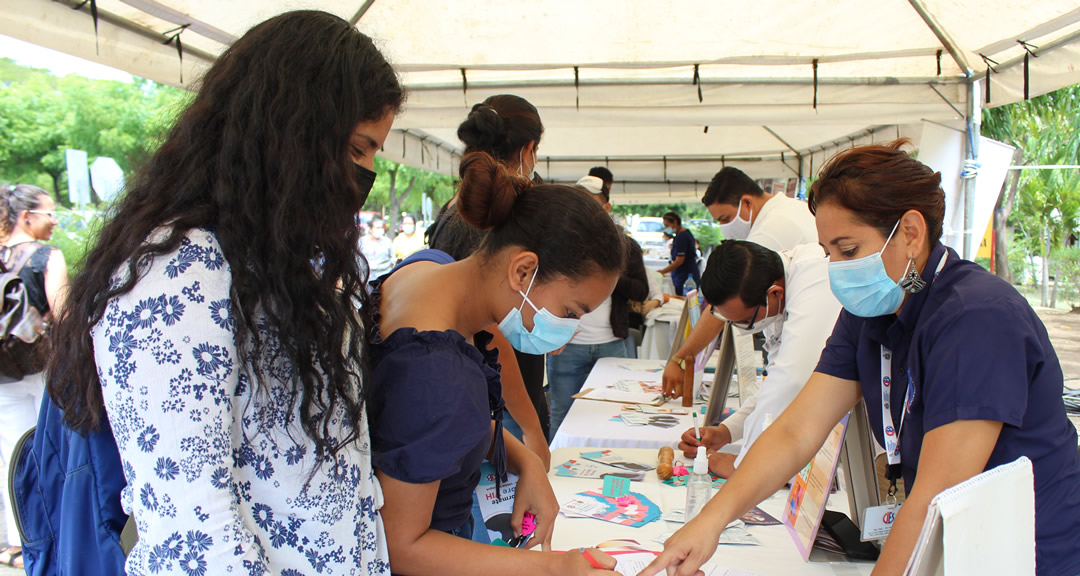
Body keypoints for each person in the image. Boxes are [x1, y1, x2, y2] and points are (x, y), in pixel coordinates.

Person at [43, 11, 404, 574]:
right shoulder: (178, 271)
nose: (366, 174)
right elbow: (193, 529)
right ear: (291, 131)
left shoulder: (277, 261)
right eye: (358, 150)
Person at [640, 141, 1080, 576]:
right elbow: (796, 429)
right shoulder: (872, 313)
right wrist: (711, 520)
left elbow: (935, 494)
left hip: (1026, 552)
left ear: (910, 232)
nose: (836, 269)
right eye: (828, 253)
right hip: (953, 543)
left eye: (847, 251)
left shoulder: (977, 318)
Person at [369, 151, 621, 575]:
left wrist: (524, 459)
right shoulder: (437, 372)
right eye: (572, 312)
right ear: (523, 272)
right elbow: (402, 545)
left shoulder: (429, 272)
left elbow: (425, 427)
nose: (570, 329)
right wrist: (555, 569)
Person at [675, 240, 841, 477]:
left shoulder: (813, 279)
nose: (742, 329)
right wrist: (726, 431)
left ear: (774, 294)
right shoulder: (771, 297)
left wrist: (744, 466)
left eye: (745, 322)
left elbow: (792, 381)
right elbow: (773, 384)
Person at [662, 167, 817, 401]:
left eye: (724, 219)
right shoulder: (788, 209)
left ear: (746, 203)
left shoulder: (768, 234)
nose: (724, 227)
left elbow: (721, 308)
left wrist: (682, 356)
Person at [546, 175, 649, 437]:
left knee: (615, 414)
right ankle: (556, 472)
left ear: (606, 207)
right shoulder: (560, 245)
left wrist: (608, 277)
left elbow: (641, 290)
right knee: (563, 412)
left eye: (594, 203)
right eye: (583, 203)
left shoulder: (626, 246)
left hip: (612, 343)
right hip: (567, 345)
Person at [0, 184, 68, 569]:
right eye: (48, 213)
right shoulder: (46, 255)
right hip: (40, 366)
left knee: (11, 456)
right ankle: (52, 535)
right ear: (27, 217)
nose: (54, 220)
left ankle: (17, 543)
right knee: (49, 450)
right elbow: (62, 312)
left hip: (2, 371)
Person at [656, 212, 700, 296]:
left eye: (667, 225)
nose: (666, 228)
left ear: (675, 222)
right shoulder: (683, 234)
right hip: (684, 273)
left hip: (685, 275)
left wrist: (663, 271)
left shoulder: (682, 236)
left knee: (685, 299)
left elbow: (679, 260)